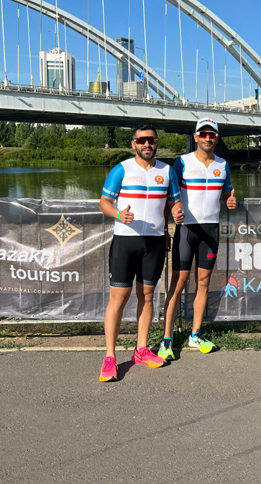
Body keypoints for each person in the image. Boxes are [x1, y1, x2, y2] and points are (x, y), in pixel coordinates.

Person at [98, 124, 183, 382]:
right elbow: (104, 203)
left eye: (152, 140)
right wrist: (118, 215)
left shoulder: (167, 171)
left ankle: (141, 349)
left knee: (147, 296)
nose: (148, 144)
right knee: (119, 299)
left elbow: (174, 202)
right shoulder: (121, 169)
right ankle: (110, 358)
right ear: (133, 143)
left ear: (157, 143)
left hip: (155, 242)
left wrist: (177, 211)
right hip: (126, 241)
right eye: (142, 140)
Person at [158, 118, 237, 359]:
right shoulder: (181, 163)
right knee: (178, 284)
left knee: (203, 283)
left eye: (211, 134)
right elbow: (168, 197)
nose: (207, 137)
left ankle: (195, 335)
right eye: (203, 133)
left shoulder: (223, 165)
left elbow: (226, 194)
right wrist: (165, 227)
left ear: (217, 139)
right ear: (195, 137)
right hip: (186, 231)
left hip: (211, 231)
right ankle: (166, 339)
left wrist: (230, 201)